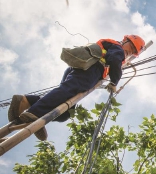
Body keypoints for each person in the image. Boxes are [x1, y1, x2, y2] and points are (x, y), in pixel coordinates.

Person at [8, 34, 146, 141]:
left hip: (84, 70)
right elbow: (115, 60)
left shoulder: (114, 47)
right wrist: (114, 82)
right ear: (125, 41)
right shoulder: (117, 48)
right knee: (67, 91)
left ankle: (28, 104)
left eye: (134, 52)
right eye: (131, 48)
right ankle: (36, 113)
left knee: (65, 111)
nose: (130, 52)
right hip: (90, 70)